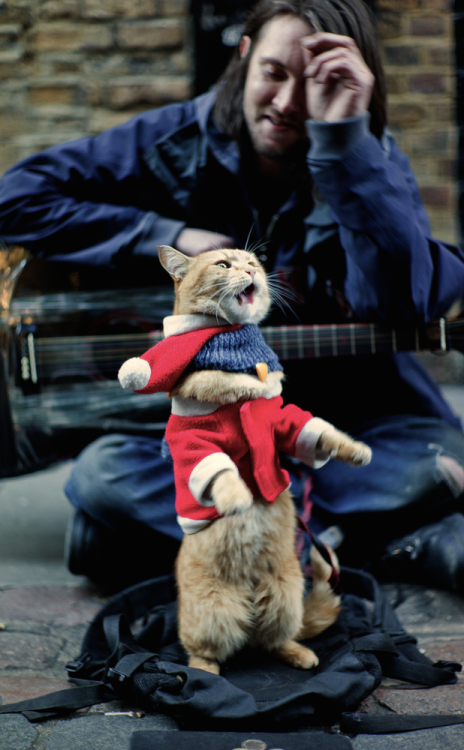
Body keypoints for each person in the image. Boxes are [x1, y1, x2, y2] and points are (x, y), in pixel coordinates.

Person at [1, 0, 464, 592]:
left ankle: (157, 541)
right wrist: (163, 237)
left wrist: (345, 147)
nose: (288, 103)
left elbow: (405, 303)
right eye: (274, 72)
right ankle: (360, 541)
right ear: (244, 57)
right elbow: (16, 197)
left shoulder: (370, 159)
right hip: (212, 427)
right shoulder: (169, 141)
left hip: (345, 414)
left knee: (439, 455)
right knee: (103, 476)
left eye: (317, 85)